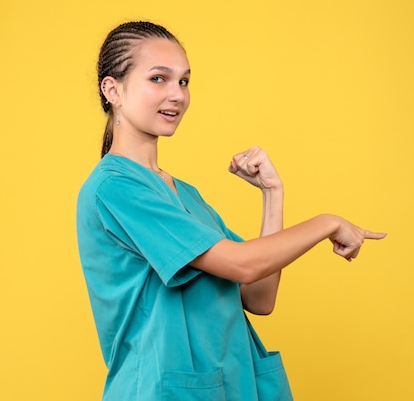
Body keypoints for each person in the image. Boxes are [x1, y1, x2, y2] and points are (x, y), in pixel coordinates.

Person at [76, 21, 386, 401]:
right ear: (113, 90)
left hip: (229, 387)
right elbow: (243, 264)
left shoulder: (183, 193)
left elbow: (259, 296)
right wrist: (327, 222)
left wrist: (273, 194)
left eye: (184, 82)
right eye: (159, 79)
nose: (177, 94)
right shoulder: (116, 188)